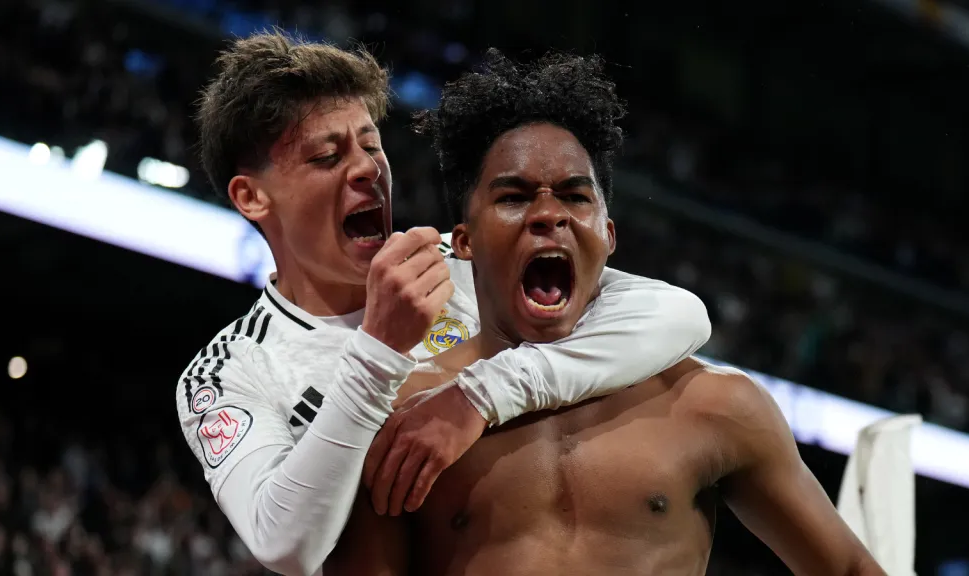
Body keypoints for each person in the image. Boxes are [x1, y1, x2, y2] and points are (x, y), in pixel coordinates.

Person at [328, 49, 885, 576]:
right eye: (515, 196)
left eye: (575, 196)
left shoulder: (717, 405)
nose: (550, 215)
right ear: (465, 241)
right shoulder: (405, 413)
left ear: (608, 236)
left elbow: (849, 567)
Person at [174, 32, 711, 575]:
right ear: (252, 196)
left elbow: (681, 315)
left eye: (370, 144)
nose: (366, 169)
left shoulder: (455, 257)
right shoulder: (227, 373)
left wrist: (481, 395)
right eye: (327, 156)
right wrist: (376, 352)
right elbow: (284, 543)